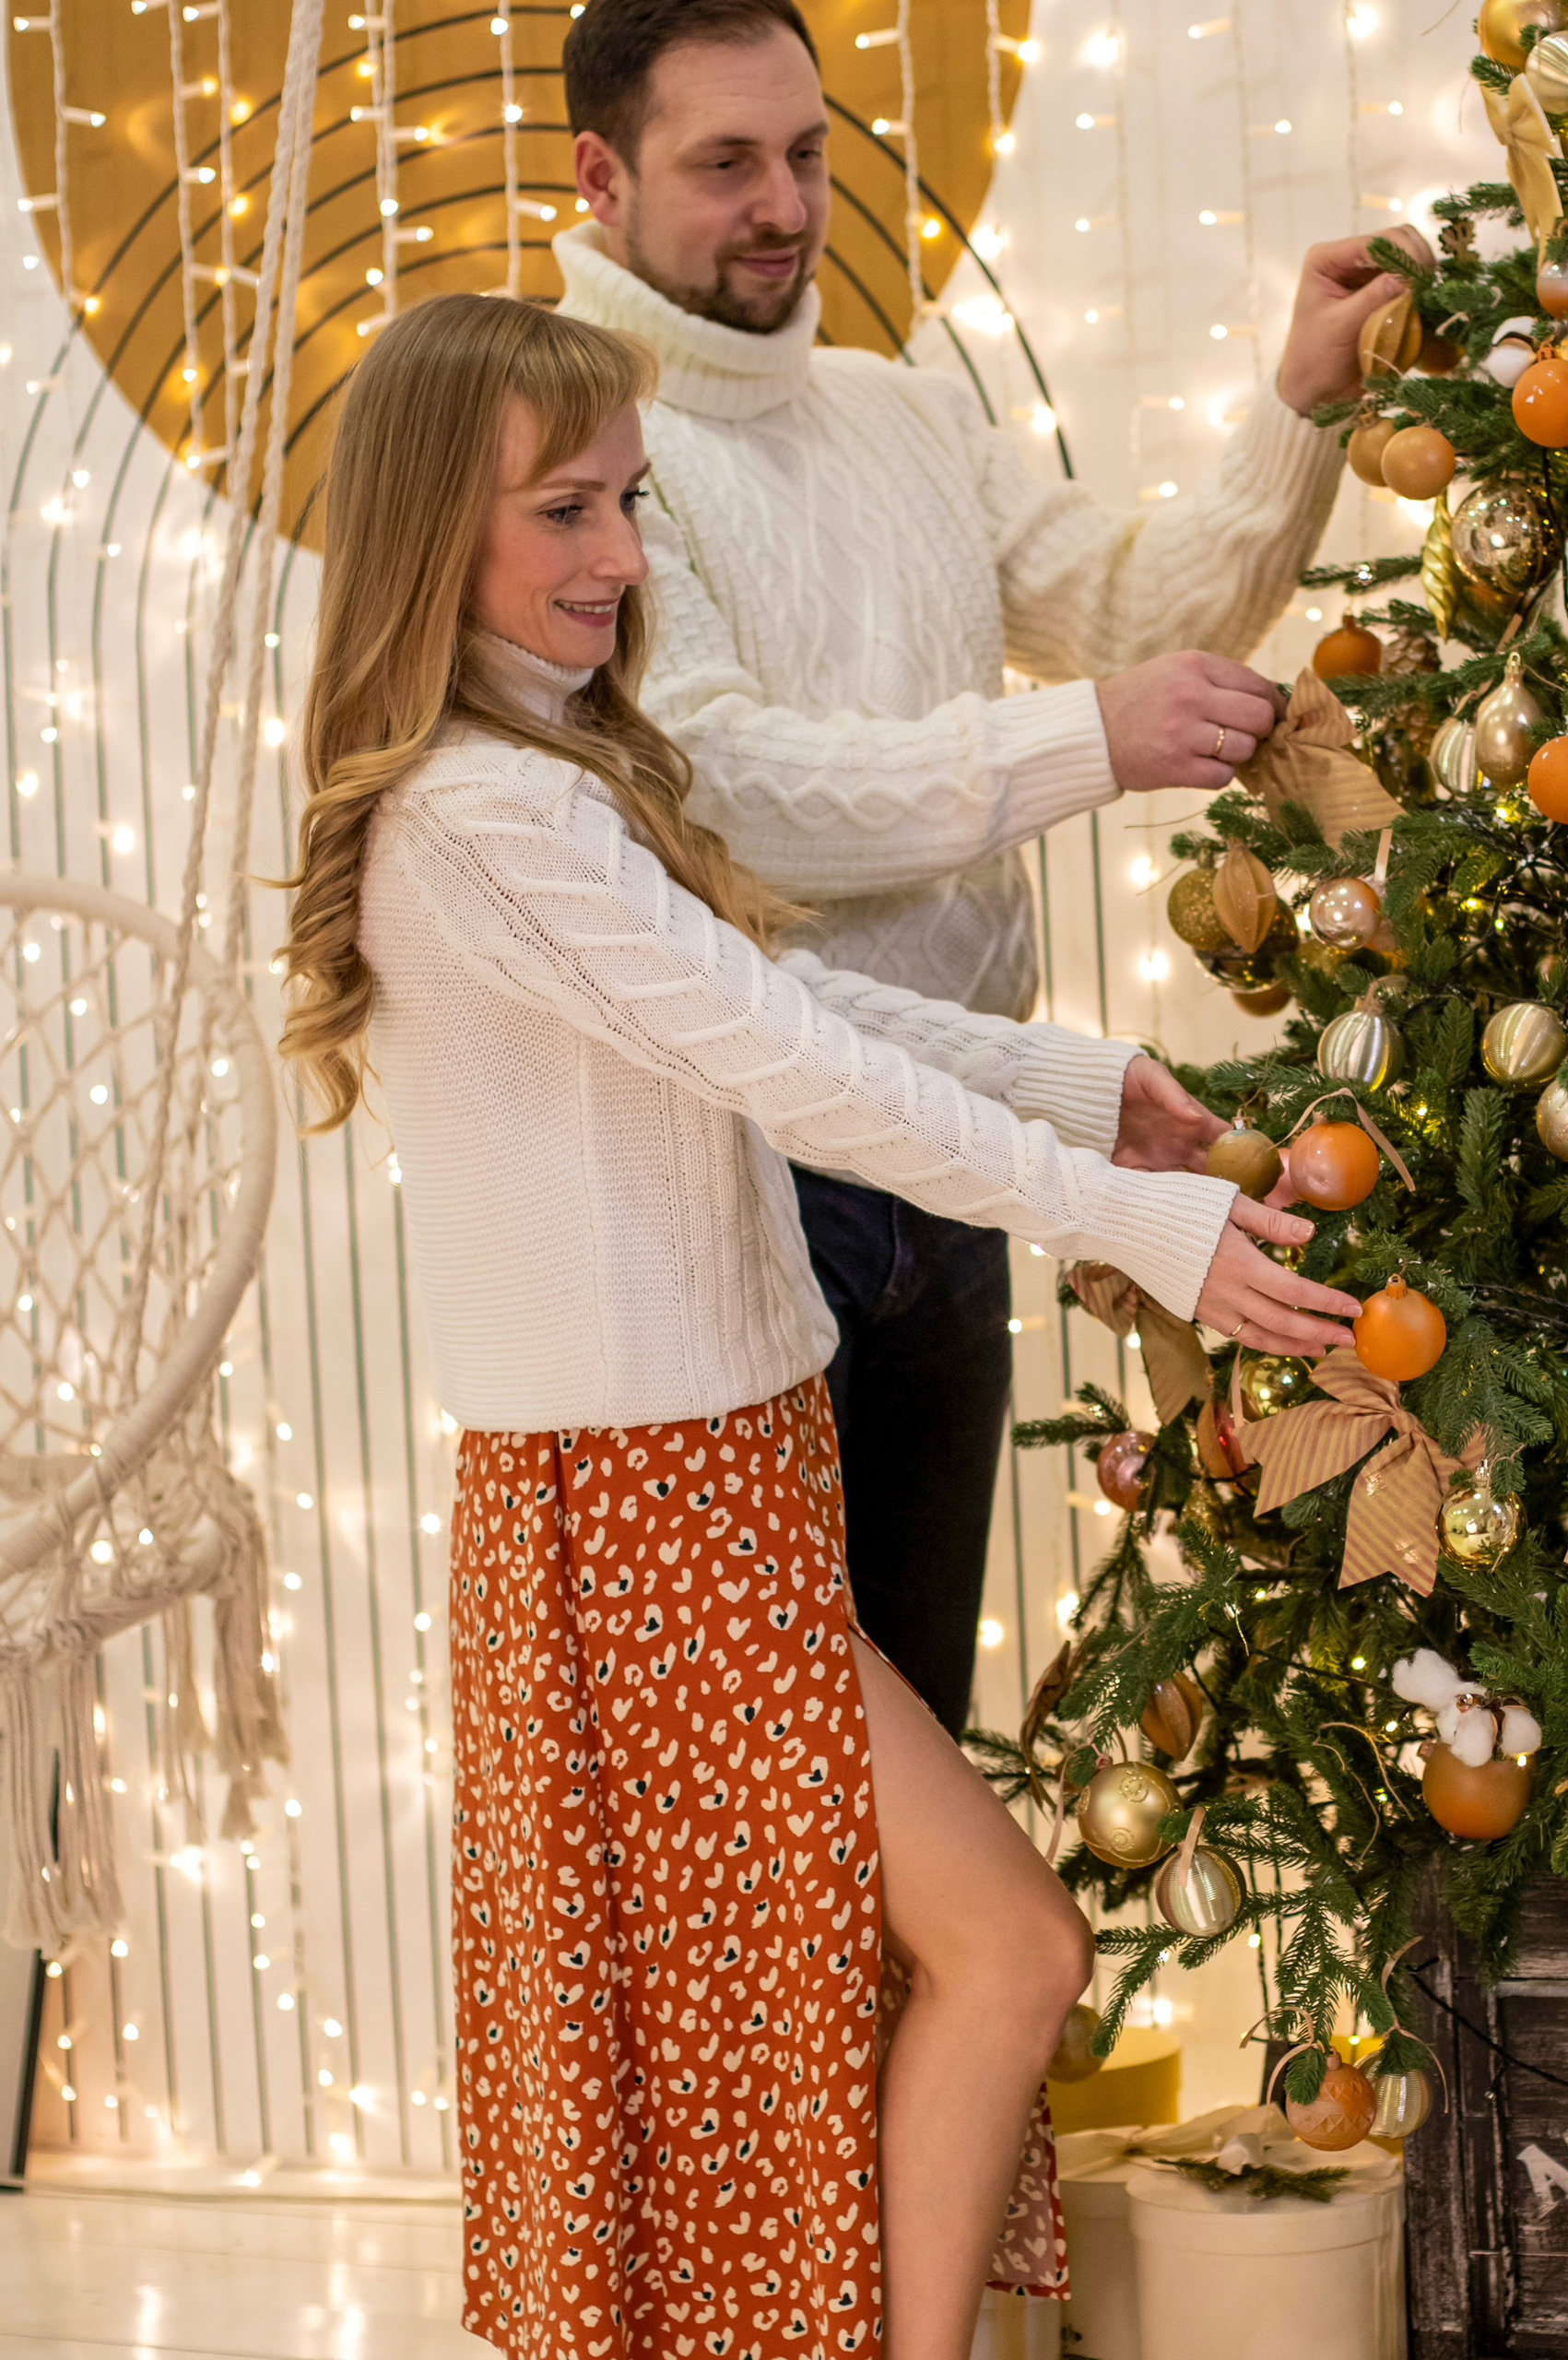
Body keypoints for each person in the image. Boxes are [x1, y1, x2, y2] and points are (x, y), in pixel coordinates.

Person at [276, 292, 1361, 2360]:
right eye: (563, 509)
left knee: (907, 1979)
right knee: (978, 1954)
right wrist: (1136, 1209)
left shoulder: (553, 780)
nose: (614, 556)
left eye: (628, 502)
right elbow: (794, 1065)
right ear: (437, 529)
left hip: (709, 1481)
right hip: (645, 1510)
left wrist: (1070, 1088)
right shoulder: (488, 819)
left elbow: (774, 1009)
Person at [553, 0, 1427, 1729]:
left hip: (949, 1163)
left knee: (921, 1739)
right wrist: (1079, 740)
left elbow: (1137, 614)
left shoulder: (894, 408)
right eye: (725, 163)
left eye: (805, 154)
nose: (786, 205)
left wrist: (1303, 407)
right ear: (600, 177)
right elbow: (719, 787)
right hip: (735, 1177)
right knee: (766, 1775)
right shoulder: (579, 454)